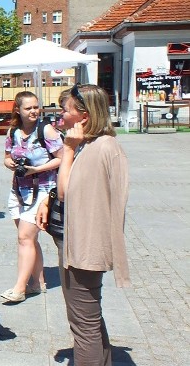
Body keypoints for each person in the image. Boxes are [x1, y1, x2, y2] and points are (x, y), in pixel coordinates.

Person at [36, 84, 129, 366]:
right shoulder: (92, 144)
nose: (61, 115)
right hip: (78, 243)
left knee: (83, 325)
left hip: (84, 248)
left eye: (66, 110)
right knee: (87, 318)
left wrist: (67, 149)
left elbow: (65, 192)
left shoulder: (100, 148)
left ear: (84, 115)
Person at [0, 91, 63, 303]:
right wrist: (9, 163)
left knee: (24, 237)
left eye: (36, 107)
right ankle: (38, 283)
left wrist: (35, 170)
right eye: (29, 108)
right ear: (18, 110)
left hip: (43, 190)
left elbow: (62, 158)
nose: (34, 111)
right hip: (19, 190)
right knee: (30, 239)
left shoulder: (46, 130)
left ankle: (20, 288)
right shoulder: (13, 131)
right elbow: (7, 156)